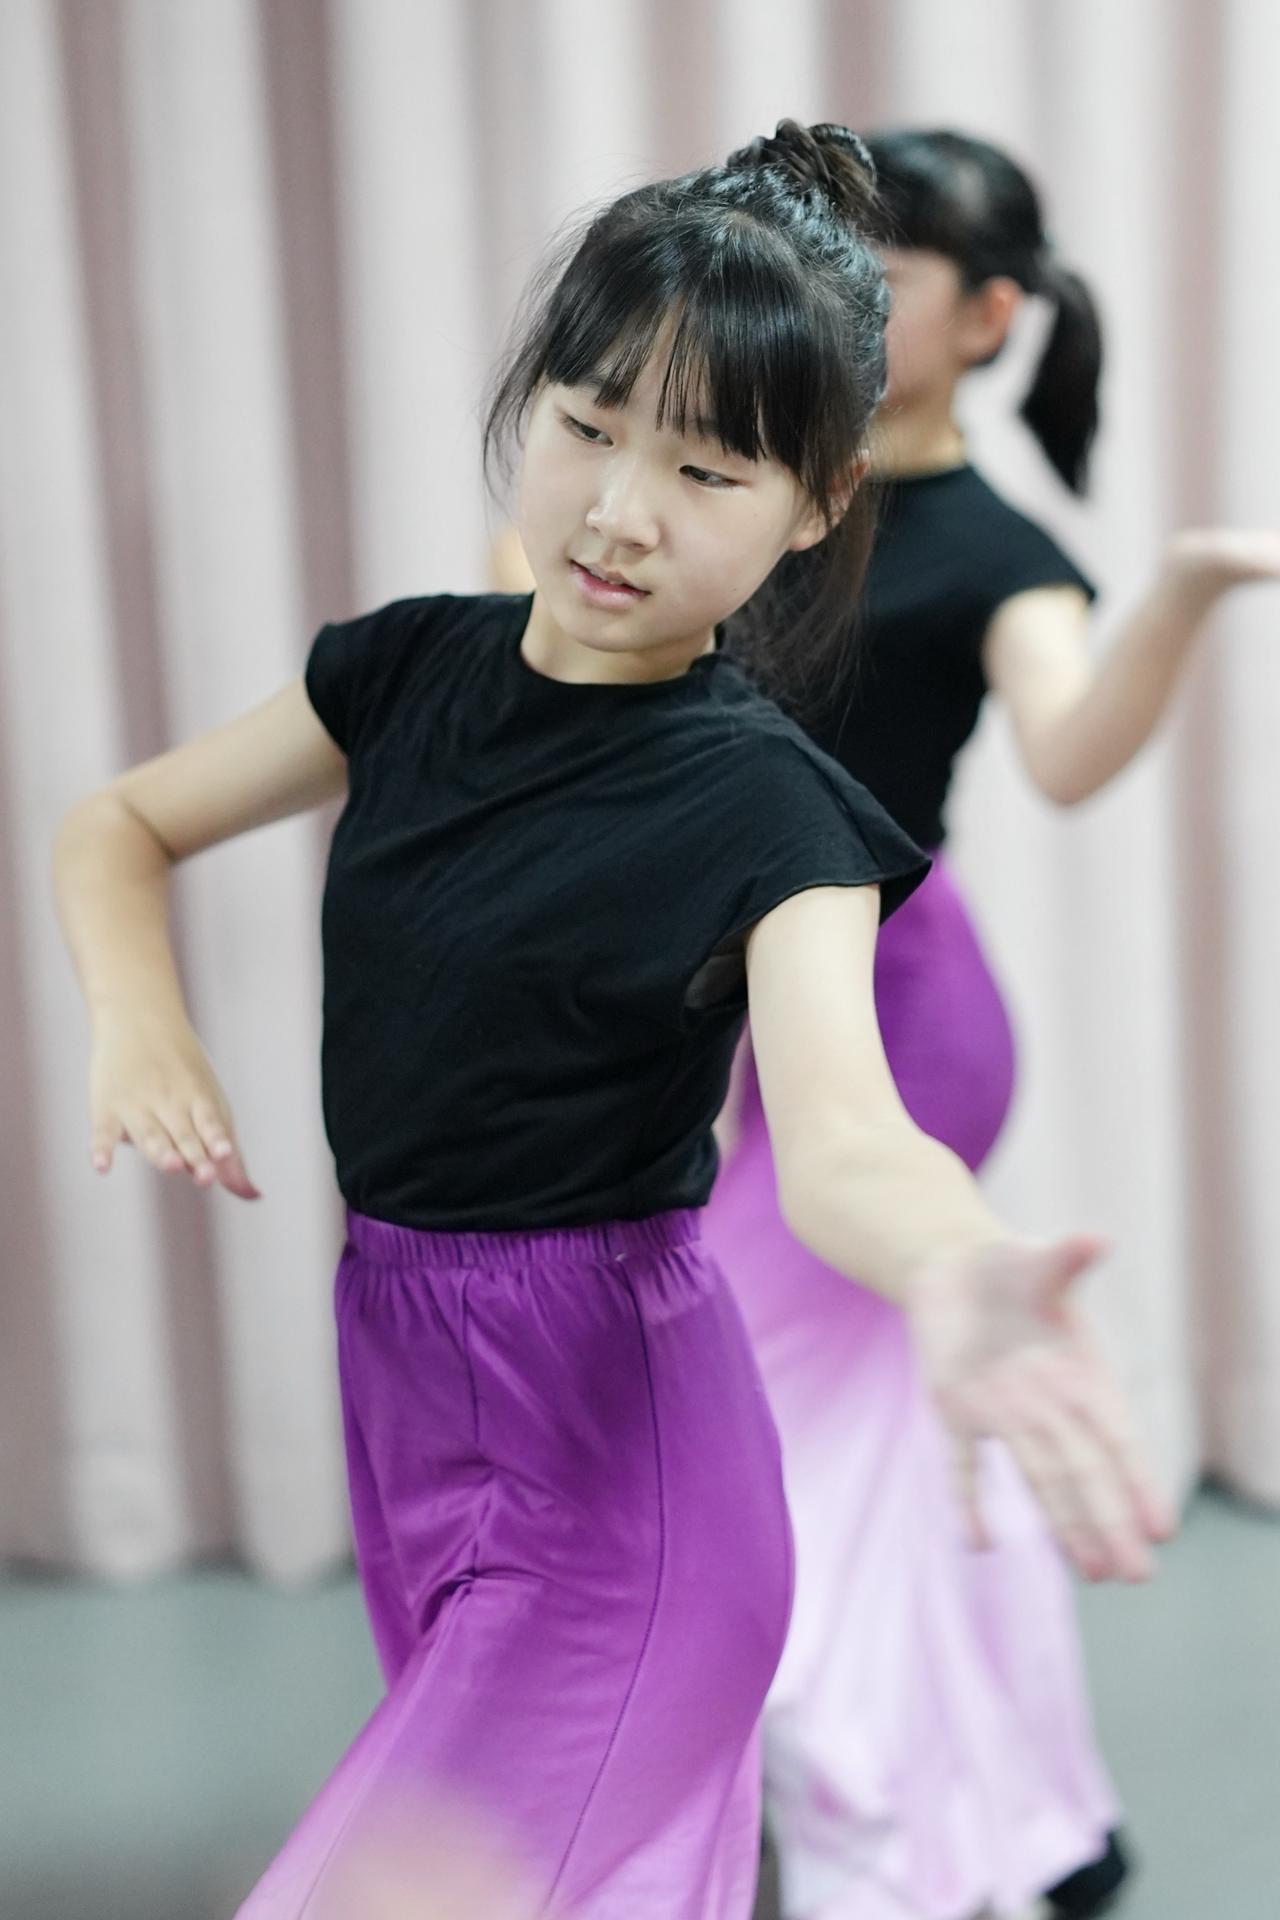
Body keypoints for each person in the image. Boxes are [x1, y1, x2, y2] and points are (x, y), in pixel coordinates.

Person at [52, 123, 1169, 1920]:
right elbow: (118, 825)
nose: (620, 510)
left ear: (817, 504)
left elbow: (846, 1142)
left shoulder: (775, 811)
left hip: (619, 1480)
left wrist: (953, 1265)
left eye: (707, 470)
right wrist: (142, 1022)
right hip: (404, 1396)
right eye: (587, 426)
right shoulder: (402, 668)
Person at [696, 130, 1280, 1920]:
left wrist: (1185, 584)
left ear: (991, 318)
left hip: (898, 1017)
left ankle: (882, 1809)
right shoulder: (755, 487)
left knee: (774, 1400)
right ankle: (1036, 1816)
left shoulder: (997, 549)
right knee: (913, 1419)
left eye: (886, 284)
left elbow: (1074, 750)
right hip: (754, 1011)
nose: (841, 306)